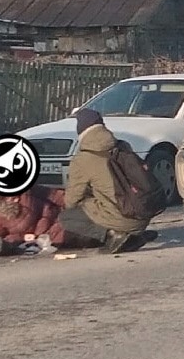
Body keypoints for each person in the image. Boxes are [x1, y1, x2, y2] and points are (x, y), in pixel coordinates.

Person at [58, 108, 158, 254]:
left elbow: (71, 200)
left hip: (121, 217)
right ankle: (135, 233)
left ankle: (113, 234)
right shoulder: (123, 146)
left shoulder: (83, 158)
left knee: (67, 217)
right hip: (144, 213)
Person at [0, 179, 74, 258]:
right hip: (56, 235)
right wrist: (23, 237)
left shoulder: (26, 191)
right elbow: (1, 240)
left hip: (67, 217)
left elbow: (57, 196)